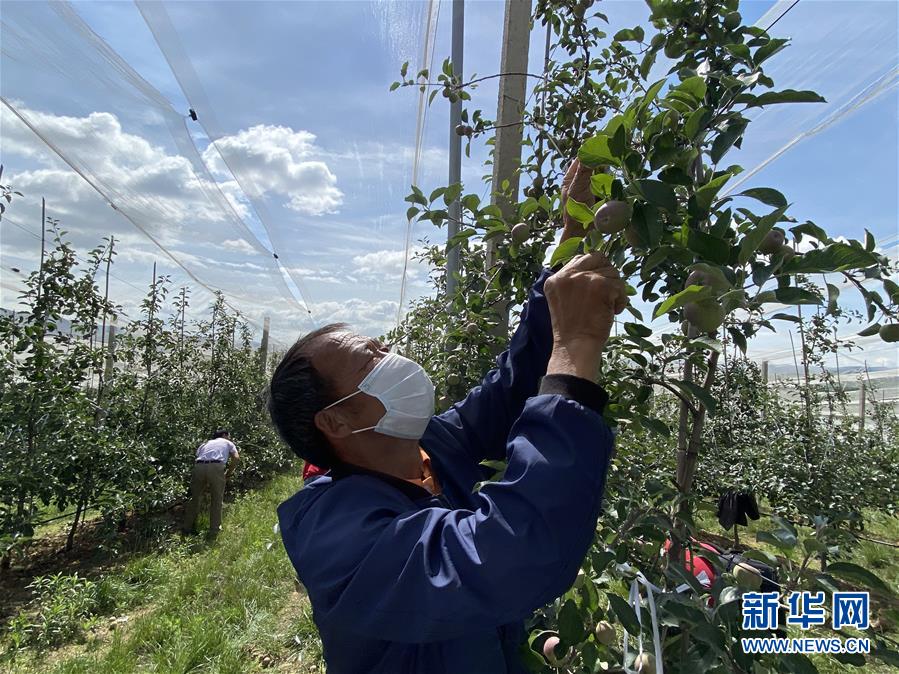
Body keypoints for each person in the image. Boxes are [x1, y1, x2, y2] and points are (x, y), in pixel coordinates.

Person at [267, 159, 628, 674]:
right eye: (370, 360)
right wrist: (577, 349)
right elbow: (508, 556)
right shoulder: (335, 535)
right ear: (336, 422)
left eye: (382, 346)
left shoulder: (431, 448)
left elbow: (514, 382)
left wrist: (569, 241)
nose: (392, 358)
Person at [182, 428, 239, 539]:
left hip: (199, 466)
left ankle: (187, 529)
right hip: (216, 466)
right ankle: (214, 531)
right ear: (224, 435)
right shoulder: (227, 442)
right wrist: (228, 473)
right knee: (217, 500)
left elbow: (198, 455)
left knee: (195, 499)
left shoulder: (205, 443)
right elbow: (236, 458)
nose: (230, 438)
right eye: (229, 435)